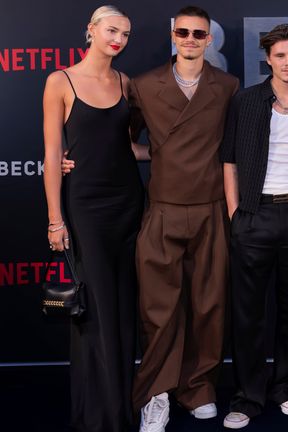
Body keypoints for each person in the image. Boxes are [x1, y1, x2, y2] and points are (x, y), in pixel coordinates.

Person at [127, 6, 239, 432]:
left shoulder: (227, 86)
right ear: (173, 36)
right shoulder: (143, 85)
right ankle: (155, 395)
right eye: (183, 32)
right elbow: (125, 138)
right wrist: (156, 155)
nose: (190, 39)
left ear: (209, 40)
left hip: (211, 209)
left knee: (209, 306)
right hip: (163, 209)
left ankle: (199, 389)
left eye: (199, 33)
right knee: (159, 309)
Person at [218, 24, 288, 430]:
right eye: (280, 55)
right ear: (268, 58)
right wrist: (235, 213)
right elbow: (229, 162)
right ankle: (247, 397)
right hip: (253, 216)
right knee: (248, 314)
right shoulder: (245, 102)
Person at [42, 5, 143, 431]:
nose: (118, 38)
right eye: (111, 30)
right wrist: (55, 220)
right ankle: (100, 416)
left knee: (122, 306)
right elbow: (51, 154)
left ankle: (121, 403)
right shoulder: (59, 81)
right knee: (95, 307)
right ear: (91, 30)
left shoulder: (125, 82)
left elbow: (130, 147)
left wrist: (180, 157)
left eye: (125, 33)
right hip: (85, 207)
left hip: (129, 203)